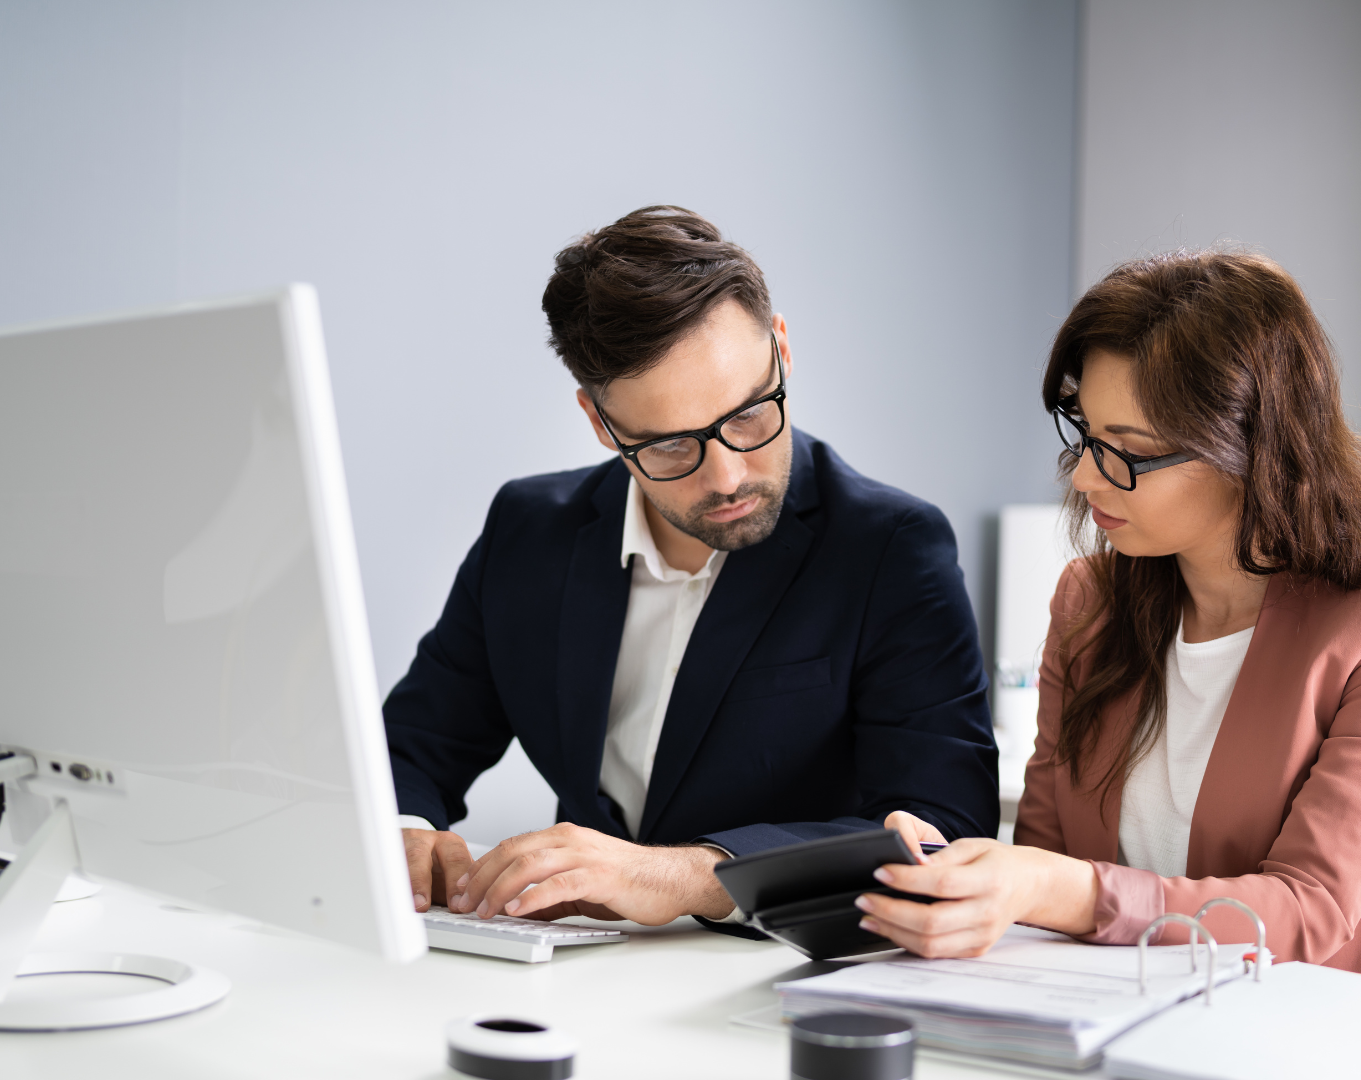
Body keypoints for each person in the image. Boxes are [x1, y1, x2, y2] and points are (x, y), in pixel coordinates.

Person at [863, 250, 1361, 989]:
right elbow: (1047, 865)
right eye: (1087, 435)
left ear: (1253, 450)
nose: (1086, 477)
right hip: (1145, 1020)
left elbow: (1309, 910)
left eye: (1131, 453)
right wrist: (963, 878)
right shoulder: (1089, 604)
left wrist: (1054, 889)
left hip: (1357, 1029)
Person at [385, 206, 998, 929]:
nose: (730, 474)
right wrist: (401, 829)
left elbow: (945, 828)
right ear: (599, 422)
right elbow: (412, 747)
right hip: (567, 970)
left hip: (772, 977)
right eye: (672, 447)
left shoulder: (890, 548)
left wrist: (683, 877)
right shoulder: (530, 531)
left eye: (749, 414)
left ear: (782, 349)